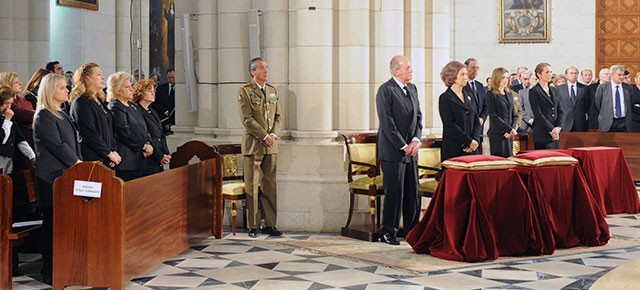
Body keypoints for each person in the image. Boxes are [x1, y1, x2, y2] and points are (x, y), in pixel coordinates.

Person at [33, 73, 82, 285]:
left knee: (65, 225)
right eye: (62, 87)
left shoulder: (61, 113)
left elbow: (73, 143)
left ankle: (67, 266)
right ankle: (49, 271)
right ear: (51, 90)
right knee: (52, 225)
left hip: (66, 176)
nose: (67, 90)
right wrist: (77, 164)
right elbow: (57, 145)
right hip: (51, 178)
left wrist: (78, 163)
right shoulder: (44, 115)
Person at [375, 55, 422, 245]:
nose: (411, 70)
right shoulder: (385, 90)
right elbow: (388, 123)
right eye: (408, 68)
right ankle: (389, 231)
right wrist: (404, 145)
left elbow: (418, 117)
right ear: (396, 71)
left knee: (412, 192)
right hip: (393, 151)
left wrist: (416, 141)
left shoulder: (412, 88)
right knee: (394, 193)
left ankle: (412, 231)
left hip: (412, 150)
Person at [237, 57, 282, 238]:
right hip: (254, 145)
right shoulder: (245, 91)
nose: (266, 71)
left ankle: (270, 224)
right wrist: (263, 136)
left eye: (267, 67)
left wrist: (272, 135)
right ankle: (253, 225)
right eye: (261, 68)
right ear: (253, 72)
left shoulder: (272, 90)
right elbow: (247, 119)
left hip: (270, 146)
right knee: (253, 186)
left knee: (270, 186)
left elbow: (278, 117)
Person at [69, 62, 121, 168]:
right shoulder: (81, 102)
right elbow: (89, 133)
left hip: (105, 158)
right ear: (87, 77)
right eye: (98, 74)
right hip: (91, 158)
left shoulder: (98, 100)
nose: (103, 77)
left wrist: (113, 151)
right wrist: (108, 153)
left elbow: (110, 130)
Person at [107, 72, 152, 181]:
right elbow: (124, 133)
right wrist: (144, 147)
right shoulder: (115, 107)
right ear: (117, 90)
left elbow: (143, 128)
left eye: (131, 86)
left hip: (139, 158)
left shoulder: (132, 106)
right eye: (127, 87)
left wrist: (148, 143)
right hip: (127, 162)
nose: (132, 89)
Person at [439, 61, 481, 161]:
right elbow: (449, 125)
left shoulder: (469, 96)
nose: (466, 77)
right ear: (452, 76)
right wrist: (468, 141)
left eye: (466, 74)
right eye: (462, 74)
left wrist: (475, 140)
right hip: (455, 148)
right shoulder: (445, 98)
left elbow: (476, 120)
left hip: (473, 148)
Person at [0, 72, 36, 170]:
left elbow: (19, 138)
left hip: (9, 157)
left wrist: (31, 155)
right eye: (6, 103)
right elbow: (2, 139)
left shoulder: (22, 102)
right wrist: (7, 120)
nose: (9, 107)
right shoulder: (9, 114)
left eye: (10, 104)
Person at [134, 79, 170, 175]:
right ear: (140, 93)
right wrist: (160, 156)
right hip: (148, 158)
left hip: (158, 159)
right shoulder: (137, 111)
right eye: (150, 91)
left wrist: (165, 153)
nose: (153, 93)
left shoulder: (153, 111)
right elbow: (147, 135)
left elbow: (161, 133)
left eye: (154, 91)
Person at [529, 62, 563, 149]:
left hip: (555, 132)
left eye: (551, 72)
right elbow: (538, 113)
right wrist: (551, 129)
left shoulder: (554, 90)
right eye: (547, 72)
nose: (550, 74)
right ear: (539, 74)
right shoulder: (534, 91)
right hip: (543, 131)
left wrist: (558, 127)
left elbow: (560, 110)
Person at [486, 67, 518, 157]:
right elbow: (493, 116)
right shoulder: (490, 94)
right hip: (498, 134)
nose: (506, 80)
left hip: (509, 134)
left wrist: (512, 130)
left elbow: (514, 115)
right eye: (503, 77)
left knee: (510, 158)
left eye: (507, 78)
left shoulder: (509, 93)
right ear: (497, 78)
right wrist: (509, 129)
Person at [594, 65, 632, 132]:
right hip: (608, 123)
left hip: (624, 123)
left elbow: (630, 103)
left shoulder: (628, 88)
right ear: (612, 75)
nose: (622, 77)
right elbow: (598, 104)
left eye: (623, 75)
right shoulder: (603, 87)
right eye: (619, 75)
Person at [463, 58, 487, 153]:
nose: (475, 70)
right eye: (473, 67)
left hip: (479, 126)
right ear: (465, 68)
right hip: (468, 127)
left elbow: (486, 106)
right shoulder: (462, 86)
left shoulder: (480, 85)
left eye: (477, 68)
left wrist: (482, 118)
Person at [557, 66, 588, 132]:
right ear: (566, 75)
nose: (574, 75)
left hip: (580, 123)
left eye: (575, 73)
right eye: (571, 73)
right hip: (565, 122)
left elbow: (587, 104)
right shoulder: (559, 89)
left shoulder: (584, 88)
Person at [153, 68, 176, 135]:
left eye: (173, 77)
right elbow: (158, 103)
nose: (171, 79)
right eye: (169, 78)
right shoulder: (162, 88)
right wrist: (165, 111)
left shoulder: (179, 89)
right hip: (163, 118)